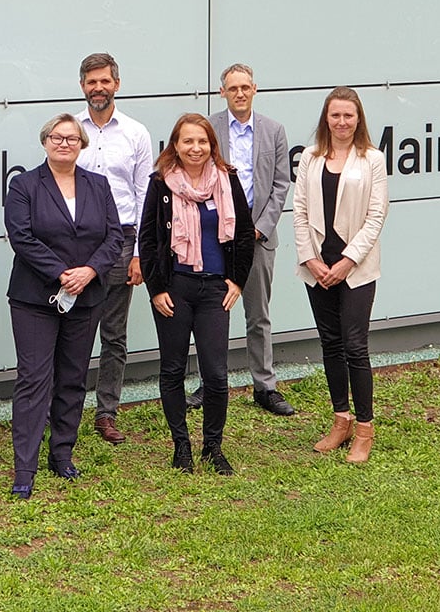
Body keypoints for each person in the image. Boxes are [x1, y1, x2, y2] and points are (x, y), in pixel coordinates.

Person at [4, 114, 122, 499]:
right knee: (34, 380)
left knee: (72, 376)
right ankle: (25, 468)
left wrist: (89, 271)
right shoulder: (24, 185)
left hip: (86, 296)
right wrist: (61, 273)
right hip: (35, 298)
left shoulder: (98, 185)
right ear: (45, 142)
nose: (64, 143)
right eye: (57, 137)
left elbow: (114, 236)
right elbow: (21, 237)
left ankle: (62, 454)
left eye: (72, 138)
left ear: (82, 144)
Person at [139, 114, 255, 475]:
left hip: (214, 289)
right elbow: (148, 239)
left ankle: (212, 446)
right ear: (175, 145)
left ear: (212, 145)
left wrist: (237, 281)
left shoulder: (227, 179)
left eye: (202, 141)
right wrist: (156, 289)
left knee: (216, 374)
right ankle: (181, 446)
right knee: (173, 369)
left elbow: (244, 233)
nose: (195, 148)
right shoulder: (161, 183)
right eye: (188, 141)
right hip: (175, 288)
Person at [189, 64, 294, 415]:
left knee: (258, 314)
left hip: (258, 233)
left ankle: (265, 387)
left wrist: (259, 227)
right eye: (232, 88)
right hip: (216, 232)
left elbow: (281, 184)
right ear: (222, 92)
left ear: (254, 89)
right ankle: (209, 384)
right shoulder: (208, 128)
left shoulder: (274, 130)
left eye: (245, 87)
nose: (239, 93)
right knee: (210, 313)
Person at [293, 87, 388, 464]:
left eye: (349, 115)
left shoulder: (373, 159)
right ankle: (341, 420)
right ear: (326, 118)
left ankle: (364, 429)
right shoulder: (310, 157)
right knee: (330, 344)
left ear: (358, 118)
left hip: (356, 269)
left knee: (355, 346)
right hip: (318, 267)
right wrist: (310, 259)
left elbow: (376, 216)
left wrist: (348, 261)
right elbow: (299, 211)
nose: (342, 122)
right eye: (336, 115)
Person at [74, 53, 154, 445]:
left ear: (116, 84)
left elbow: (144, 195)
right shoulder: (70, 131)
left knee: (114, 334)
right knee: (73, 331)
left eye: (105, 81)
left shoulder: (136, 133)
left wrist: (140, 253)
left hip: (122, 240)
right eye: (91, 82)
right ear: (82, 86)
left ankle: (106, 413)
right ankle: (66, 409)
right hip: (78, 241)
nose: (98, 88)